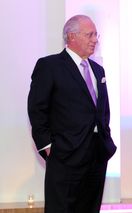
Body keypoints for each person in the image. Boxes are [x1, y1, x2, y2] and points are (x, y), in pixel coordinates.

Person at [27, 15, 117, 213]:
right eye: (90, 34)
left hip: (96, 156)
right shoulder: (49, 66)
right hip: (65, 156)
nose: (95, 39)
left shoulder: (98, 70)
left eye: (96, 35)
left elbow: (103, 111)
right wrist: (48, 146)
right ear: (71, 36)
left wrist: (105, 139)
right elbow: (37, 109)